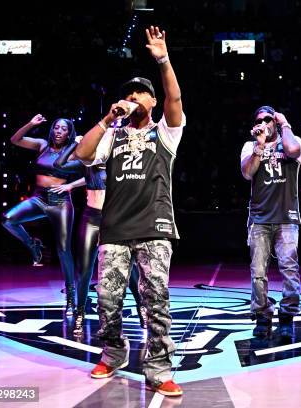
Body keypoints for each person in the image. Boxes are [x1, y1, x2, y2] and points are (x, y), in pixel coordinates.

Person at [76, 26, 184, 397]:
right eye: (128, 93)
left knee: (156, 301)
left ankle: (158, 369)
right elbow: (83, 155)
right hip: (116, 228)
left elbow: (175, 98)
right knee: (107, 299)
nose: (133, 97)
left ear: (151, 102)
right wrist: (107, 119)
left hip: (154, 227)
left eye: (140, 92)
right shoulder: (113, 134)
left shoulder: (166, 132)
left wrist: (163, 60)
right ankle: (114, 352)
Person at [54, 142, 147, 336]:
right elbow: (59, 164)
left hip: (116, 219)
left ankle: (141, 308)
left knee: (129, 270)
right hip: (91, 218)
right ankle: (80, 313)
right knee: (85, 269)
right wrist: (75, 144)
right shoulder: (88, 161)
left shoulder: (120, 159)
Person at [2, 115, 84, 315]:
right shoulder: (42, 145)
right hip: (38, 199)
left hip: (60, 202)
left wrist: (70, 186)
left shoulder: (73, 151)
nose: (58, 131)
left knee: (64, 250)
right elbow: (15, 140)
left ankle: (71, 297)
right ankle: (34, 246)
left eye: (63, 129)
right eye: (56, 127)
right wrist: (30, 124)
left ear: (69, 133)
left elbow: (93, 172)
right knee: (8, 219)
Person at [240, 105, 301, 339]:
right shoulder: (250, 146)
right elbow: (247, 173)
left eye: (268, 119)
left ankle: (287, 316)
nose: (264, 122)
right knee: (258, 272)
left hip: (287, 216)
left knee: (289, 268)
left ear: (275, 122)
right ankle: (263, 316)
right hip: (259, 218)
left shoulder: (291, 139)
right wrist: (259, 146)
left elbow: (294, 151)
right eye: (260, 119)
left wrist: (284, 123)